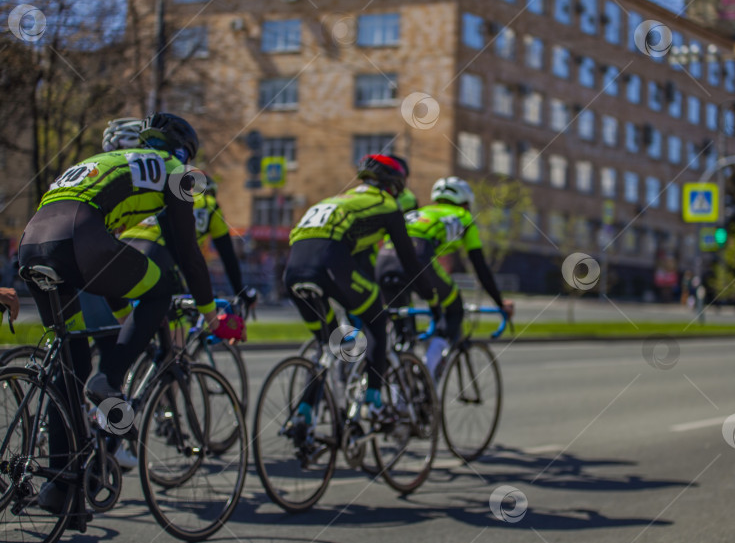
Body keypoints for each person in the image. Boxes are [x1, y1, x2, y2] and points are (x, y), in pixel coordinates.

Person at [17, 112, 228, 513]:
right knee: (161, 289)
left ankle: (62, 488)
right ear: (184, 153)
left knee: (70, 365)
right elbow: (187, 252)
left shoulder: (110, 162)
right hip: (81, 239)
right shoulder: (175, 171)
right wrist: (207, 308)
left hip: (32, 242)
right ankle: (109, 380)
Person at [284, 154, 439, 427]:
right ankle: (373, 402)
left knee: (327, 345)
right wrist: (430, 296)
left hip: (293, 271)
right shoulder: (387, 204)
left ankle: (304, 414)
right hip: (329, 264)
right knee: (377, 322)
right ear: (395, 184)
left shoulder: (337, 199)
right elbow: (408, 259)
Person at [107, 118, 257, 311]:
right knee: (170, 308)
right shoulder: (205, 201)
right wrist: (239, 291)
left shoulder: (151, 185)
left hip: (121, 247)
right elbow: (226, 255)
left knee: (127, 315)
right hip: (160, 251)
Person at [375, 176, 514, 376]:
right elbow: (480, 266)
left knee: (403, 330)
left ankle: (402, 388)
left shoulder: (418, 212)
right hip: (417, 258)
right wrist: (500, 302)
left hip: (385, 259)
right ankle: (428, 371)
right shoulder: (464, 218)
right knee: (454, 307)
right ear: (466, 202)